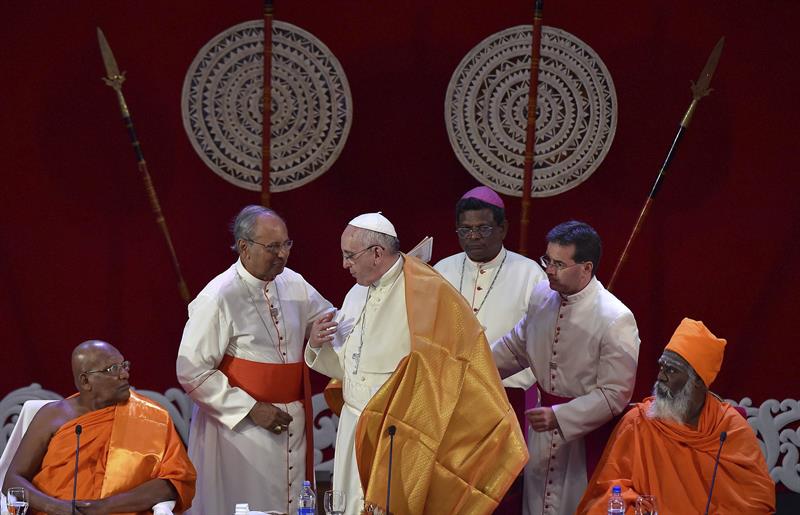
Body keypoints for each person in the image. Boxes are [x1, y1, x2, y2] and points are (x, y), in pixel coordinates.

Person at [306, 212, 527, 515]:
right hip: (355, 425)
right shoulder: (356, 293)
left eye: (349, 256)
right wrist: (318, 346)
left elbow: (457, 364)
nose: (345, 264)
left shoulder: (428, 291)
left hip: (400, 434)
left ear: (377, 253)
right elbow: (351, 368)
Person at [176, 206, 333, 515]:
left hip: (291, 423)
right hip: (240, 431)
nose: (282, 255)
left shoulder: (295, 284)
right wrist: (250, 409)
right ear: (244, 247)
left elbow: (330, 322)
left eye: (286, 244)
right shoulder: (219, 295)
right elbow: (192, 369)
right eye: (272, 247)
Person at [491, 220, 640, 515]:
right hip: (540, 432)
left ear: (586, 268)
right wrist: (473, 367)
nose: (548, 269)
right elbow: (517, 346)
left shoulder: (616, 318)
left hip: (585, 438)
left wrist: (560, 416)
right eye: (547, 259)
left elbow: (615, 394)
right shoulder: (541, 296)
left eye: (559, 263)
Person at [577, 318, 776, 514]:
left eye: (671, 370)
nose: (661, 376)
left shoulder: (730, 429)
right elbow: (609, 491)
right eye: (662, 367)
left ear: (698, 380)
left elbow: (757, 502)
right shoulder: (639, 423)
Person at [3, 340, 196, 515]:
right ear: (85, 381)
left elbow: (174, 482)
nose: (124, 374)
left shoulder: (153, 417)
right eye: (112, 369)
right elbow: (12, 480)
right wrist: (57, 507)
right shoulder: (52, 416)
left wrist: (104, 507)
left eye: (124, 365)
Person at [433, 186, 546, 389]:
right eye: (466, 229)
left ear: (502, 229)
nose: (474, 236)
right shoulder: (441, 271)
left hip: (508, 393)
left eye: (483, 228)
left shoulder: (530, 275)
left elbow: (542, 341)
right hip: (448, 389)